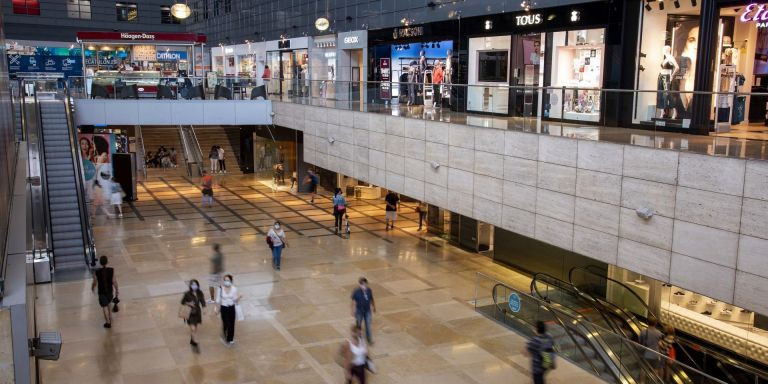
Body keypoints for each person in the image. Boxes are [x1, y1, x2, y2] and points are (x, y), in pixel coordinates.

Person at [91, 255, 118, 328]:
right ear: (107, 262)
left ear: (100, 263)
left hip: (102, 292)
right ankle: (110, 318)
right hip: (110, 292)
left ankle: (108, 323)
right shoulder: (111, 270)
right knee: (109, 304)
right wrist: (117, 290)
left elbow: (95, 282)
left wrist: (92, 288)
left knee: (104, 307)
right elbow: (114, 281)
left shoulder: (97, 272)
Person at [215, 274, 241, 346]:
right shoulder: (220, 288)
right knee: (226, 323)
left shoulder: (234, 289)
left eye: (228, 280)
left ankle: (230, 338)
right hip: (224, 308)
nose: (226, 282)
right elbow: (218, 300)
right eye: (225, 280)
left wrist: (239, 298)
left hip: (231, 308)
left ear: (231, 281)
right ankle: (224, 333)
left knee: (232, 324)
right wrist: (217, 309)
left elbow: (235, 300)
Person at [181, 279, 206, 353]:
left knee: (195, 328)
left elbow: (203, 302)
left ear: (198, 285)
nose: (194, 286)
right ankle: (195, 342)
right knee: (193, 328)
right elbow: (182, 302)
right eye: (192, 285)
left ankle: (192, 341)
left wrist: (204, 309)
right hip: (190, 313)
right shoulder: (187, 294)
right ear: (190, 286)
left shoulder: (200, 293)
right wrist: (189, 303)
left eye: (195, 284)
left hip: (197, 312)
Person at [351, 277, 376, 344]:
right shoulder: (356, 292)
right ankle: (359, 339)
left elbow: (371, 299)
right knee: (358, 325)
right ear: (360, 285)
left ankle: (369, 339)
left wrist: (373, 307)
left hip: (367, 310)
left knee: (368, 324)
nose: (364, 286)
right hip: (359, 311)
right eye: (362, 284)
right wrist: (353, 310)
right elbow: (353, 301)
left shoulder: (369, 290)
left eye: (365, 284)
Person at [639, 318, 664, 383]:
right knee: (655, 370)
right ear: (655, 323)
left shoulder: (643, 332)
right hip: (655, 354)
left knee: (643, 369)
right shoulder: (659, 333)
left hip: (646, 354)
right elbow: (660, 343)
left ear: (647, 322)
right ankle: (654, 382)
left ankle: (642, 382)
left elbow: (640, 341)